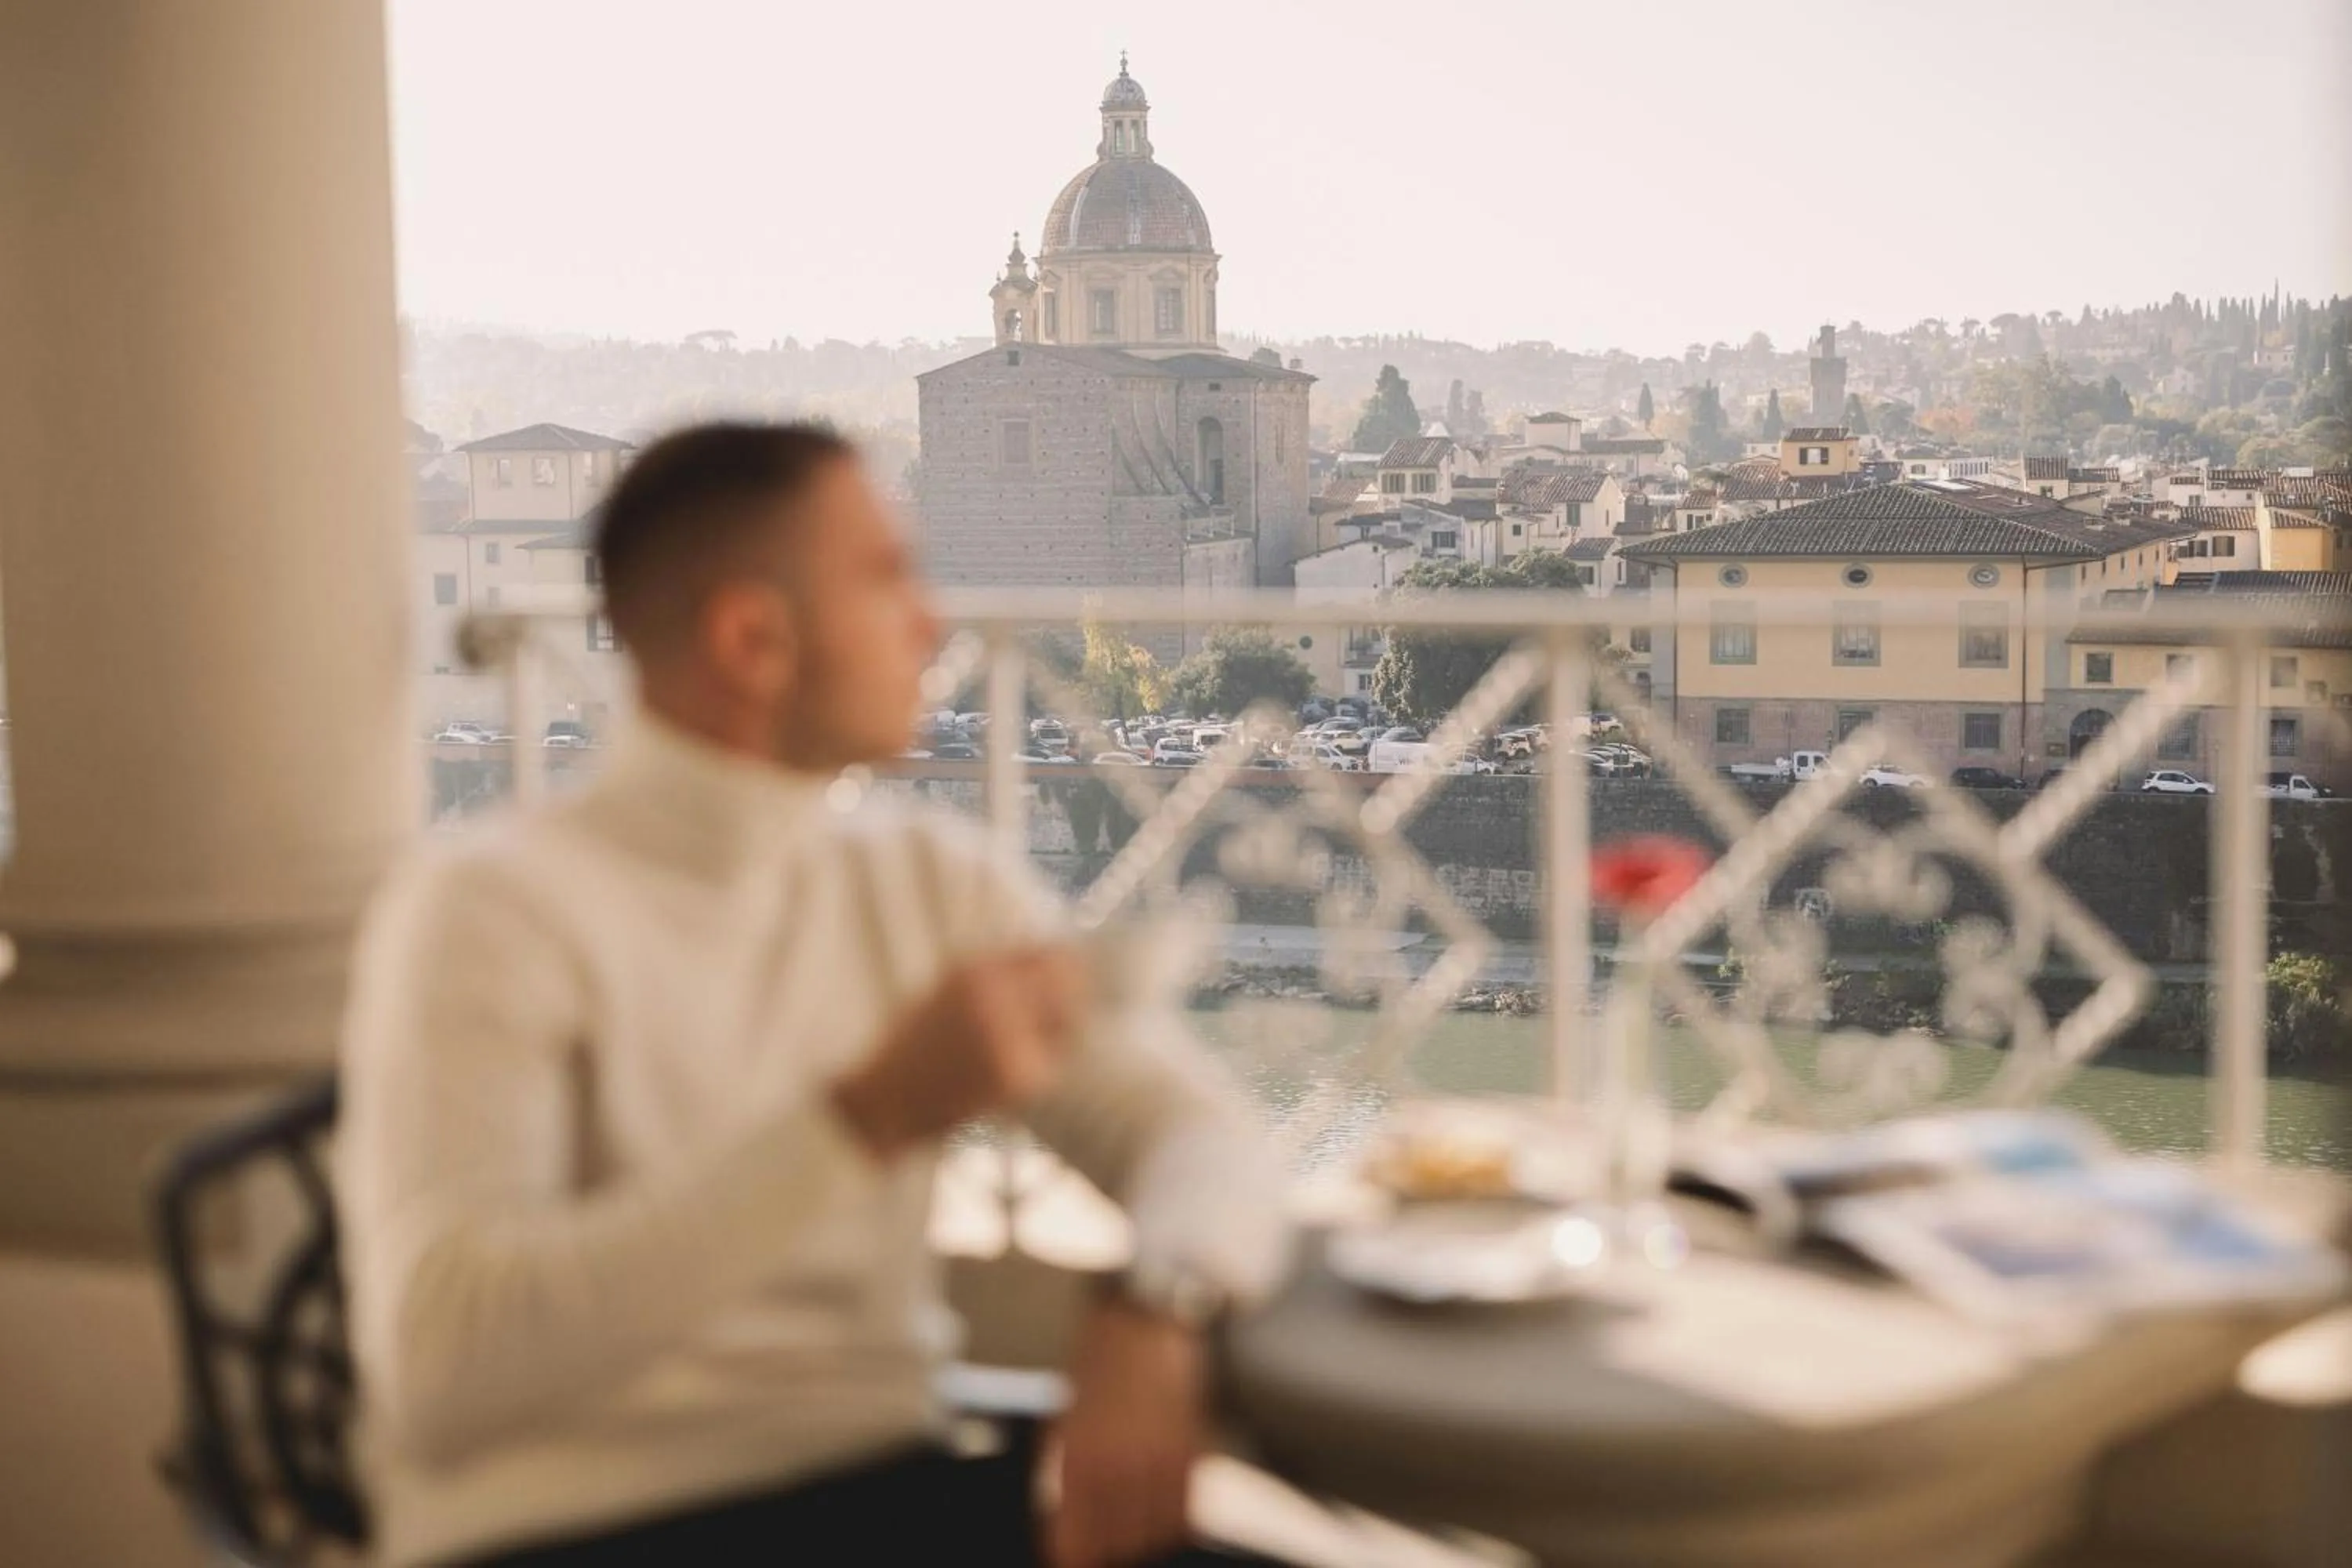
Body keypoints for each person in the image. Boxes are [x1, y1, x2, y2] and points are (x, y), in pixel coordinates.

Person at [341, 423, 1290, 1568]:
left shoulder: (926, 883)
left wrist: (1156, 1307)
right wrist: (865, 1116)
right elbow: (446, 1369)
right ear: (753, 637)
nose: (932, 626)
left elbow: (1200, 1131)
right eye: (889, 579)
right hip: (556, 1534)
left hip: (882, 1499)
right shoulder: (485, 908)